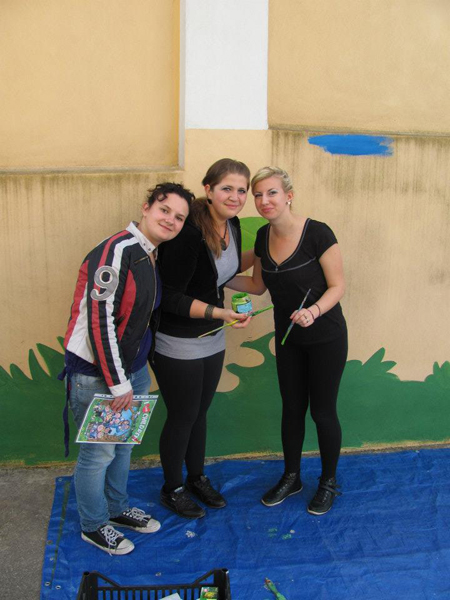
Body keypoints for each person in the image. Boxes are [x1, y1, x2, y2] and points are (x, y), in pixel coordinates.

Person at [61, 182, 193, 554]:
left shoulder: (148, 253)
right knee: (99, 453)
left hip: (130, 371)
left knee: (122, 448)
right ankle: (93, 524)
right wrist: (119, 383)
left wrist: (134, 375)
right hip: (98, 374)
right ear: (146, 207)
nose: (170, 220)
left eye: (179, 217)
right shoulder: (115, 251)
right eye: (164, 210)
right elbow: (100, 322)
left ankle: (116, 508)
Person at [228, 166, 347, 515]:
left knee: (322, 412)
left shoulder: (318, 233)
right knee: (292, 408)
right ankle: (291, 476)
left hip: (326, 336)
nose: (264, 200)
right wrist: (214, 279)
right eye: (258, 195)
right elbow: (256, 285)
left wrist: (314, 311)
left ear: (289, 196)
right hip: (288, 338)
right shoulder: (263, 237)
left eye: (272, 193)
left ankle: (328, 482)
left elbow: (338, 285)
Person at [153, 158, 253, 519]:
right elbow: (171, 296)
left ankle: (196, 478)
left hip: (213, 335)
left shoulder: (233, 225)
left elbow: (222, 272)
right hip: (177, 338)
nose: (235, 196)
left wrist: (268, 253)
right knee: (182, 416)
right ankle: (172, 488)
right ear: (208, 190)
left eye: (242, 190)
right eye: (227, 188)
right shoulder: (188, 233)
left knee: (199, 414)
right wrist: (219, 313)